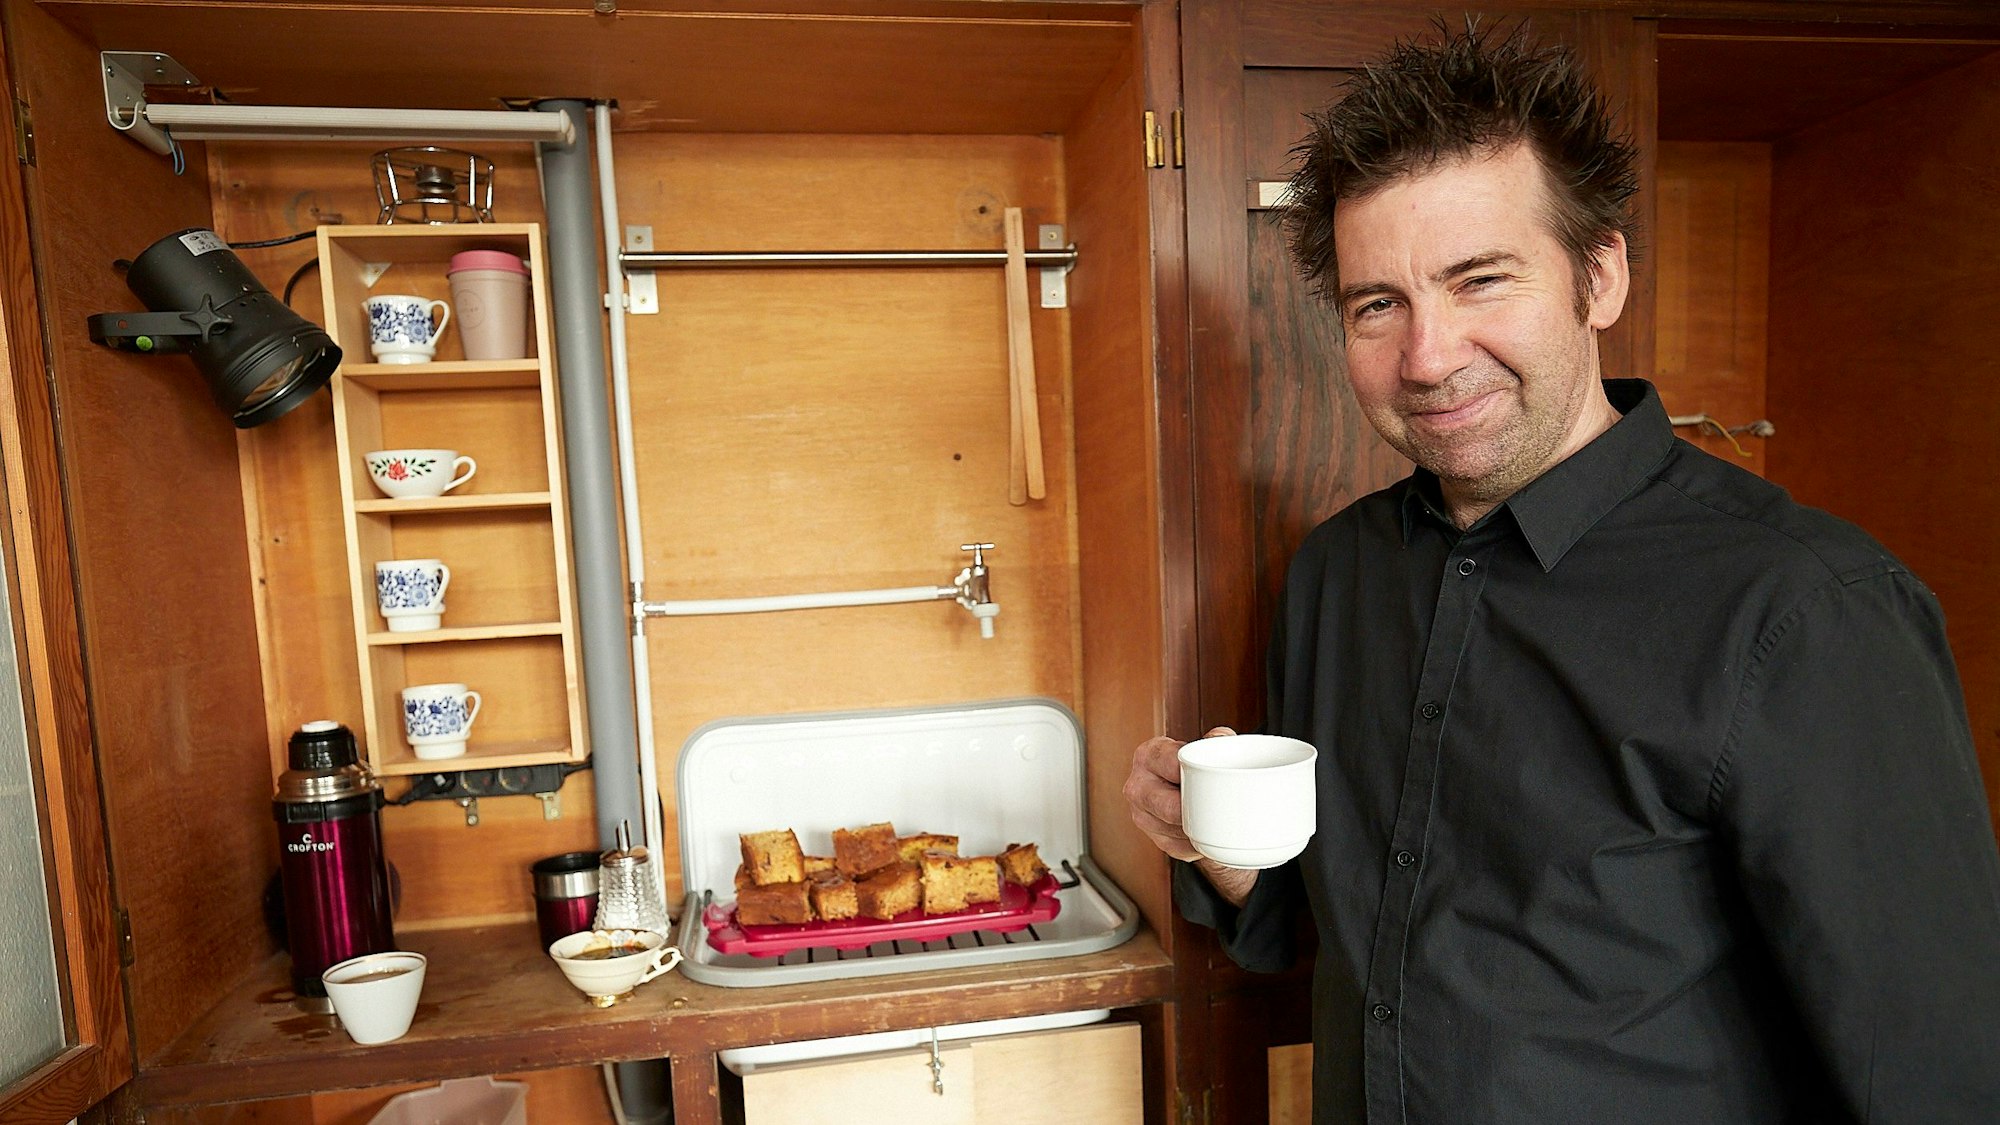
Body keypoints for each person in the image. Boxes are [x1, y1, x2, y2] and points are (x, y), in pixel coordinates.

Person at [1123, 22, 2000, 1125]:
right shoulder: (1335, 574)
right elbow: (1322, 929)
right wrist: (1233, 864)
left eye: (1480, 279)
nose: (1427, 355)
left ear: (1599, 277)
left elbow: (1934, 1076)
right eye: (1376, 304)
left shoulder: (1807, 610)